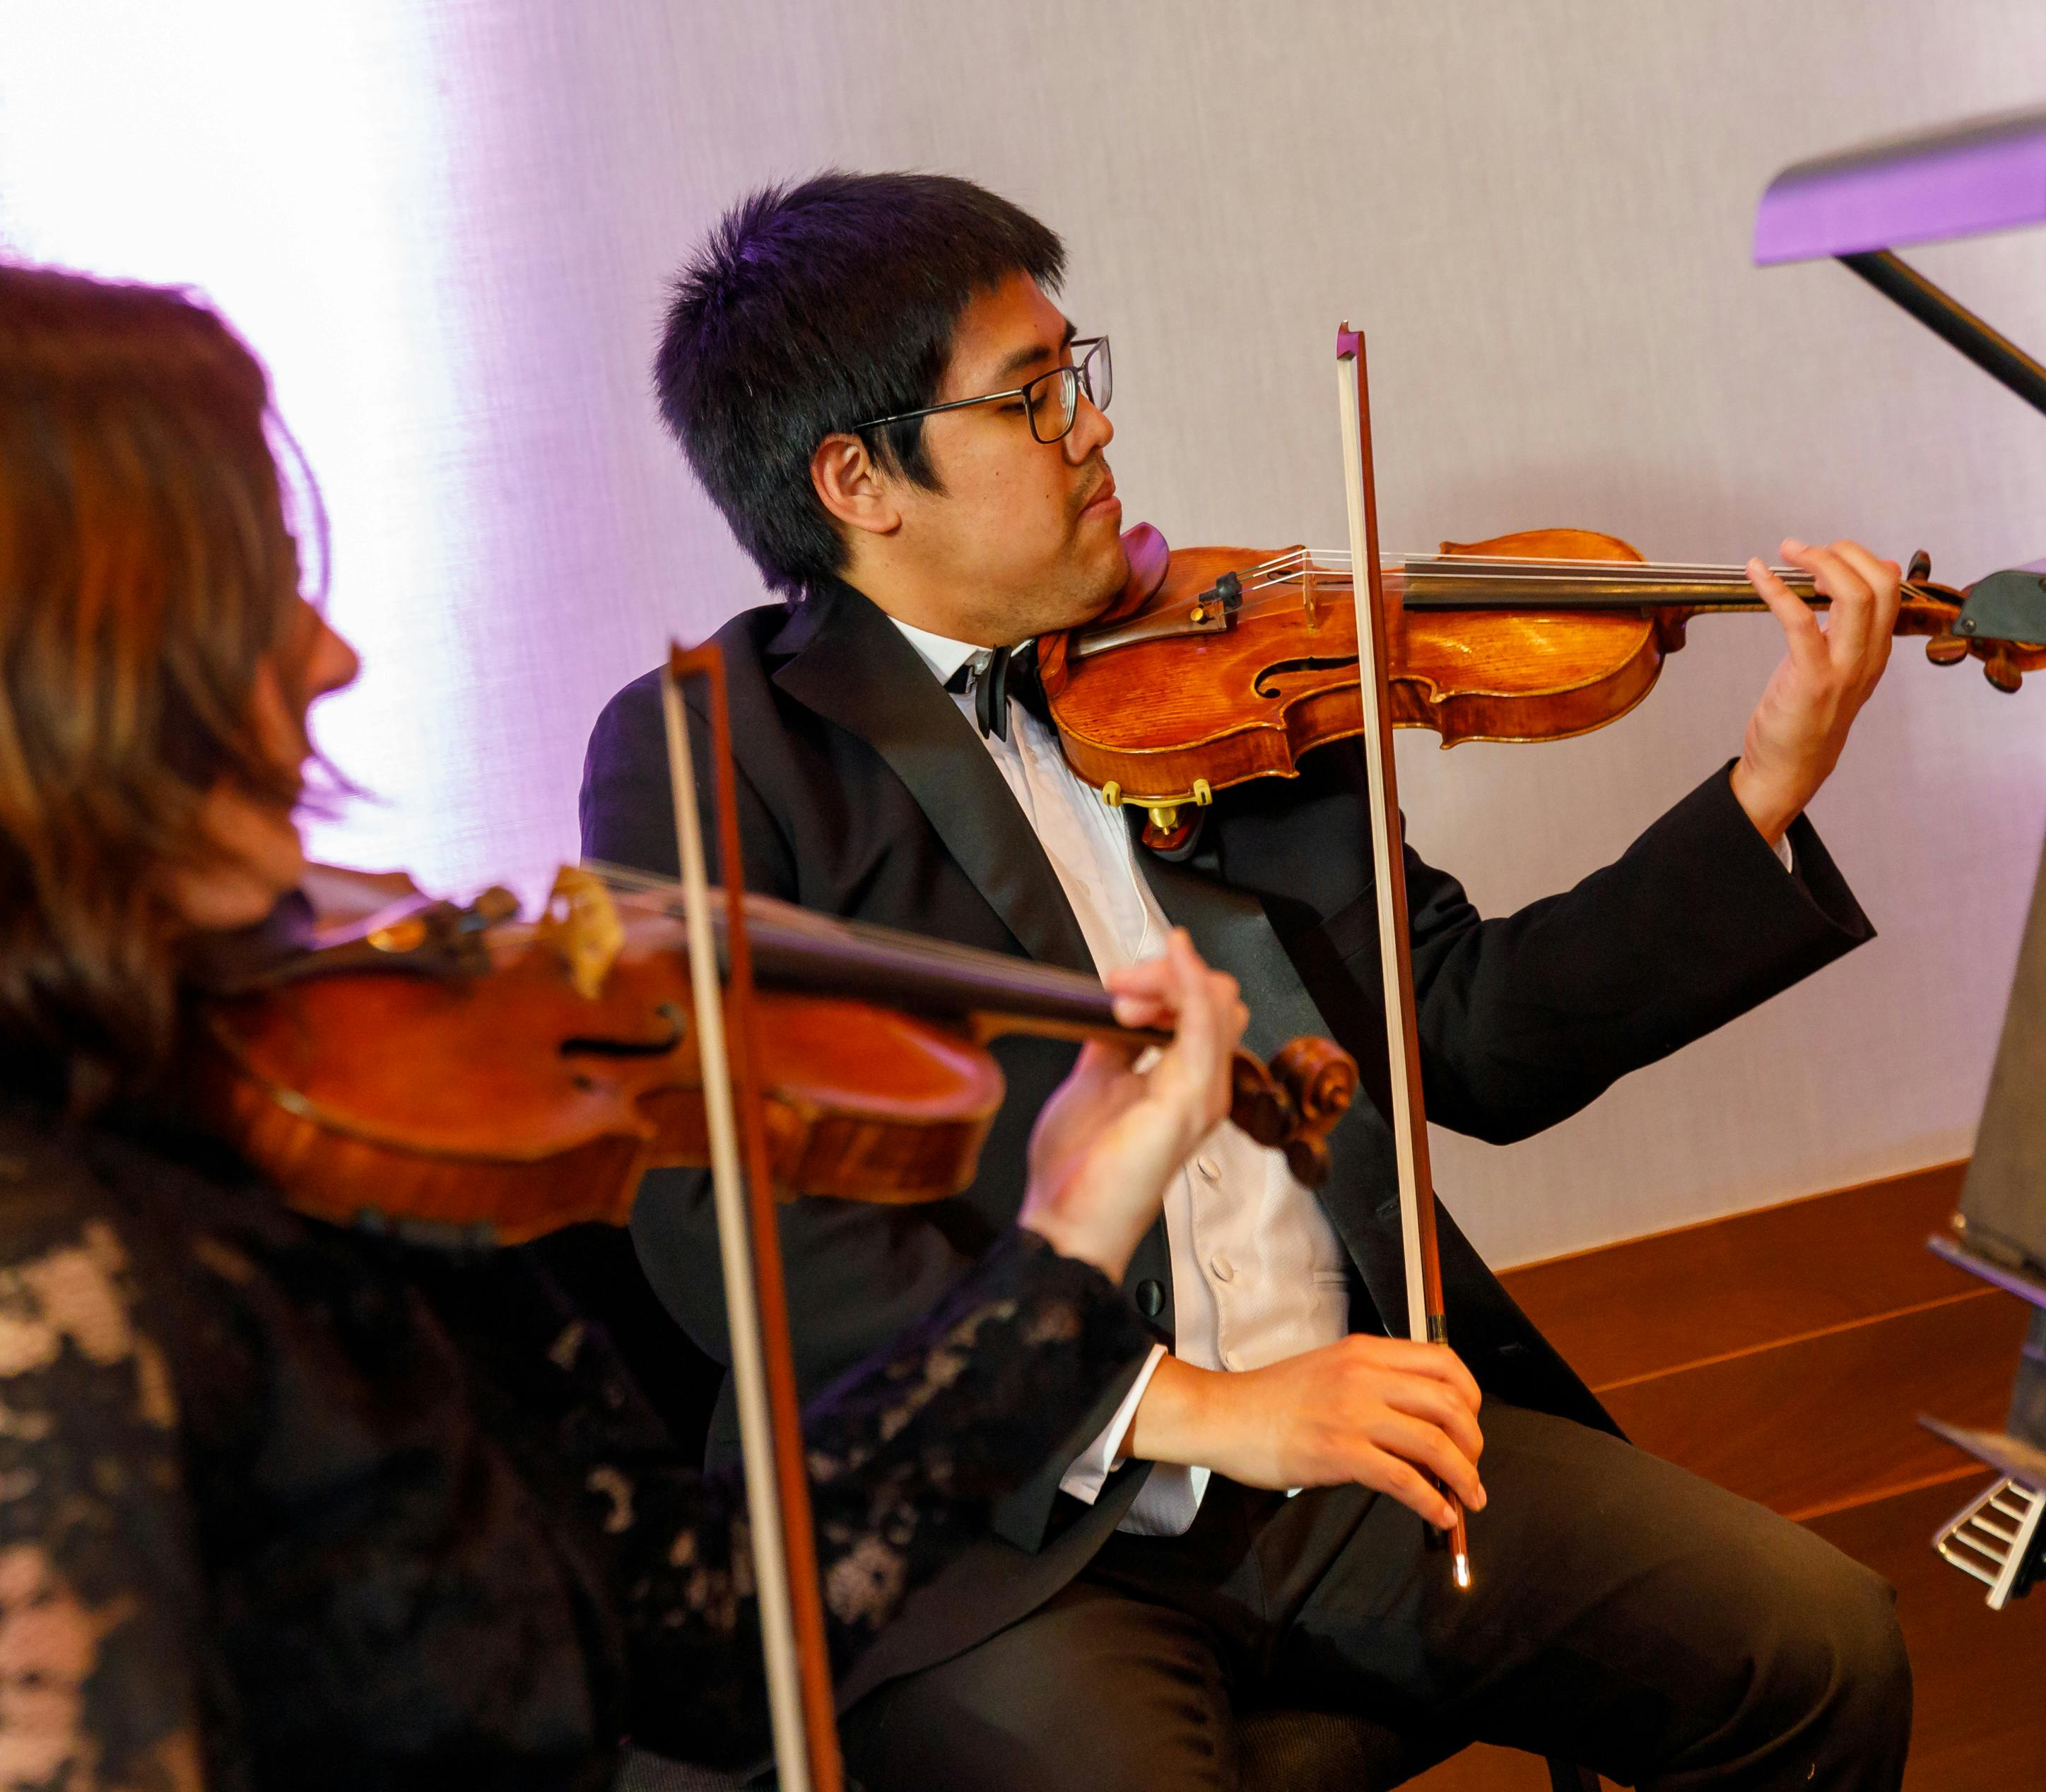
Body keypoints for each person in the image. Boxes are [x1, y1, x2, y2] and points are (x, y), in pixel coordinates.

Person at [0, 242, 1259, 1791]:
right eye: (250, 591)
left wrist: (1062, 1238)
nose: (330, 652)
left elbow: (705, 1634)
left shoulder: (276, 1115)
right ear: (22, 680)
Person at [583, 172, 1916, 1791]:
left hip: (1352, 1462)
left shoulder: (1214, 668)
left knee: (1818, 1646)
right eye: (1033, 396)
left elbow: (1471, 1036)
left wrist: (1759, 796)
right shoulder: (718, 750)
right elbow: (726, 1214)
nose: (1092, 429)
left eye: (1081, 376)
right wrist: (1193, 1408)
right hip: (994, 1543)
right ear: (859, 477)